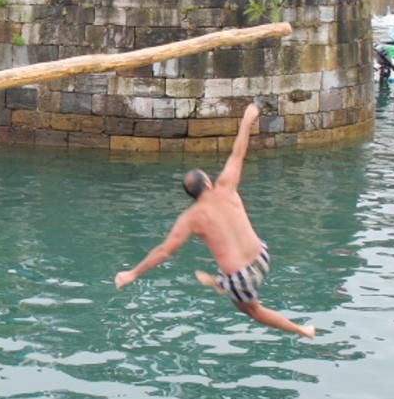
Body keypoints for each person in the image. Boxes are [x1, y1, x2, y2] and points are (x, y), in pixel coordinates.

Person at [114, 104, 316, 339]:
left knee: (253, 311)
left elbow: (164, 251)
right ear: (208, 182)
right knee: (230, 265)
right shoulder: (226, 186)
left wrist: (133, 273)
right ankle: (220, 281)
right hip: (262, 256)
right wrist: (246, 120)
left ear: (191, 195)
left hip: (241, 278)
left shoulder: (191, 218)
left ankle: (302, 330)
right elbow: (238, 151)